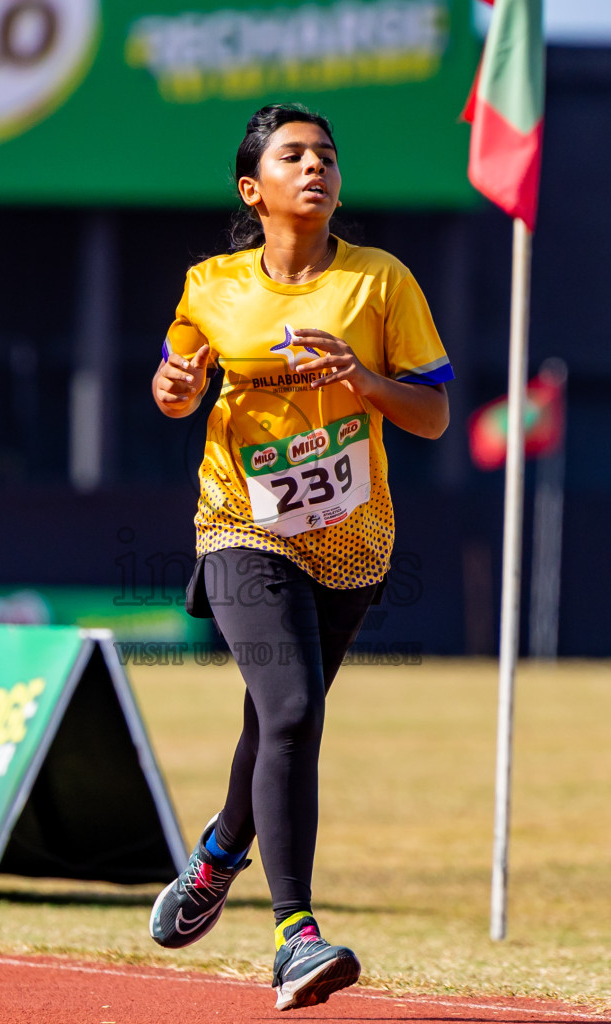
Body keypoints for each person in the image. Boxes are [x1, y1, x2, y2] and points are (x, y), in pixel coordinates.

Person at [146, 103, 452, 1011]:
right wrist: (174, 387)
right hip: (242, 521)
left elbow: (432, 413)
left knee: (274, 721)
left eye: (326, 155)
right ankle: (295, 936)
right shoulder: (212, 285)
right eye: (293, 155)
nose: (315, 166)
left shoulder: (380, 282)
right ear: (255, 188)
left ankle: (216, 854)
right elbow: (174, 386)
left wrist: (361, 382)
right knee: (291, 706)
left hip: (353, 539)